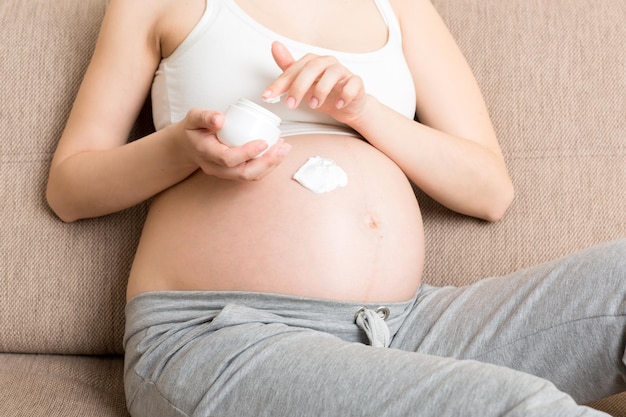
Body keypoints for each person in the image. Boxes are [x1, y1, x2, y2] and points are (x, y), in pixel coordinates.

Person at [45, 0, 625, 415]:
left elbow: (489, 190)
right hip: (224, 336)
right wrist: (180, 151)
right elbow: (69, 189)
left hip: (407, 326)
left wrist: (361, 110)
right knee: (521, 408)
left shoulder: (402, 8)